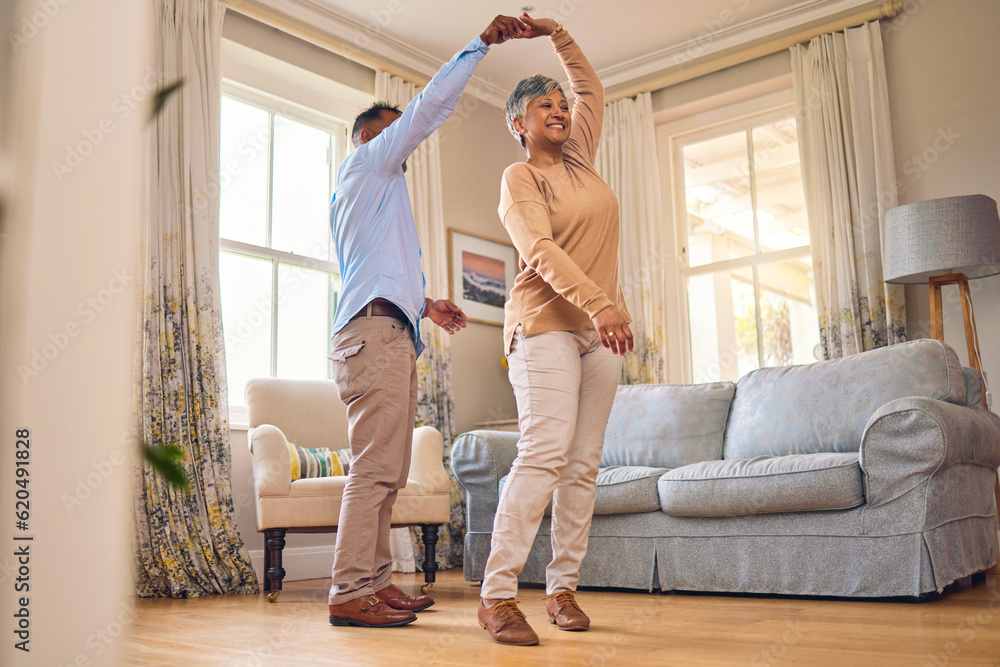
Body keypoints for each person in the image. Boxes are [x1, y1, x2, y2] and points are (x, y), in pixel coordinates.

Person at [327, 14, 530, 628]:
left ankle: (376, 582)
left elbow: (376, 268)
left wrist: (424, 304)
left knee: (387, 469)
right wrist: (481, 45)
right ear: (368, 138)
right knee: (374, 467)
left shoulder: (370, 193)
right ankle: (348, 590)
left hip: (386, 329)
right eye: (393, 136)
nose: (404, 148)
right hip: (373, 337)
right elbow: (427, 109)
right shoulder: (366, 166)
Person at [477, 14, 634, 646]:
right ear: (518, 123)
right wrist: (602, 303)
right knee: (541, 455)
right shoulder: (521, 179)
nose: (560, 109)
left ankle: (562, 588)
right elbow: (539, 250)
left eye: (560, 104)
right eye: (544, 105)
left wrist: (557, 31)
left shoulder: (582, 160)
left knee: (583, 465)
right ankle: (496, 596)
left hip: (596, 332)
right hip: (544, 324)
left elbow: (591, 88)